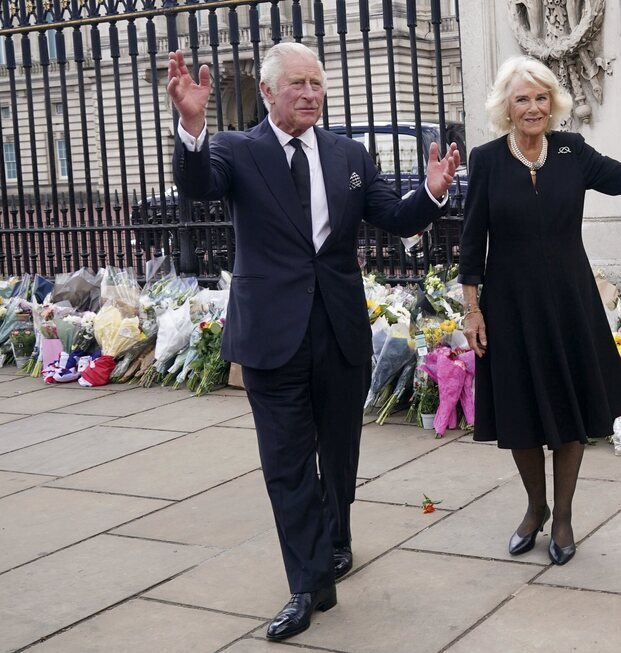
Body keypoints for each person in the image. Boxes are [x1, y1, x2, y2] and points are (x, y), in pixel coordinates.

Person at [167, 43, 460, 641]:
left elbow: (391, 217)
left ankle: (336, 539)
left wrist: (430, 194)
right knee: (287, 461)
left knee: (340, 450)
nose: (309, 94)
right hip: (272, 334)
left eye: (316, 84)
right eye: (296, 84)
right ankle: (306, 585)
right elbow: (198, 184)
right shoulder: (236, 150)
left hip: (338, 327)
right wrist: (193, 127)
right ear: (269, 92)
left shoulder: (349, 153)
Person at [459, 56, 621, 566]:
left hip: (568, 301)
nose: (534, 107)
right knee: (520, 411)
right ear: (507, 107)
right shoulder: (488, 160)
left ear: (554, 103)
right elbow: (472, 243)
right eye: (523, 99)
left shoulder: (571, 150)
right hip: (510, 304)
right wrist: (472, 310)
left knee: (567, 410)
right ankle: (534, 506)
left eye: (542, 97)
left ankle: (561, 516)